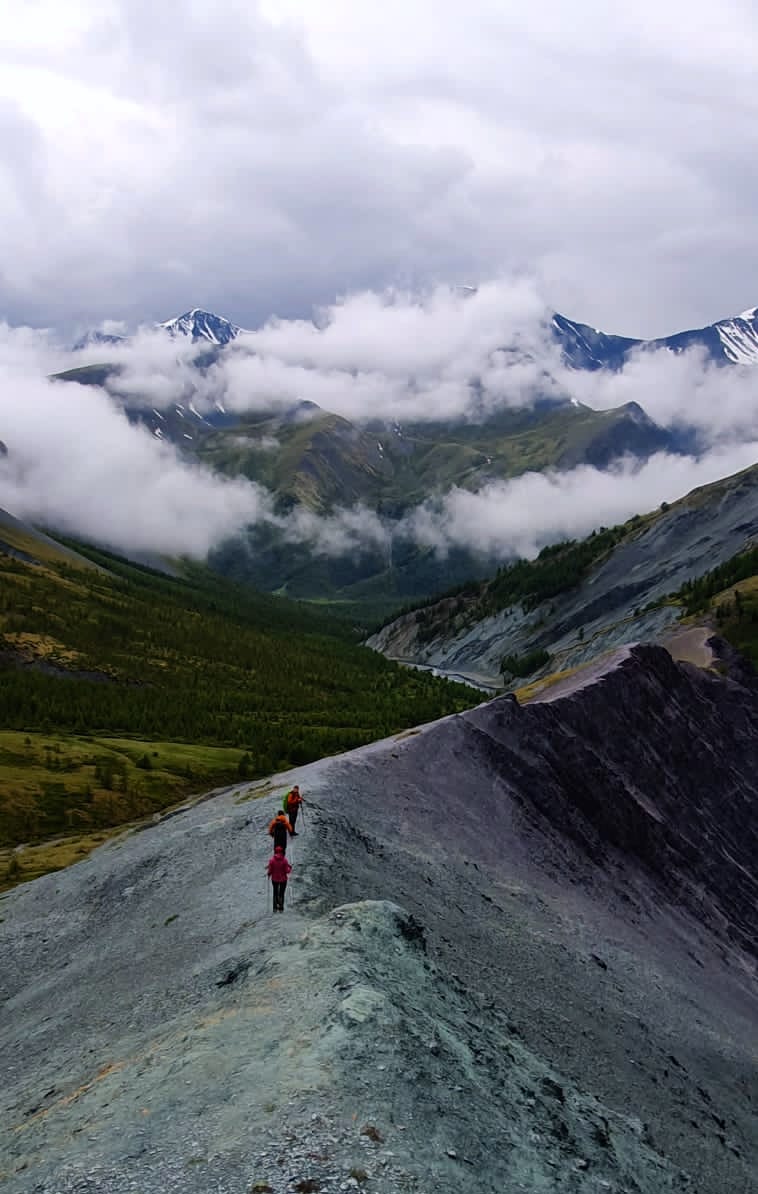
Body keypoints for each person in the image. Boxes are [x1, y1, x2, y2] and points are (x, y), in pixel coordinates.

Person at [266, 845, 292, 912]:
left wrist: (268, 874)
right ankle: (281, 908)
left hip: (274, 879)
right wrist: (290, 868)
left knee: (275, 892)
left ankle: (275, 908)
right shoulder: (284, 860)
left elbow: (270, 870)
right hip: (283, 879)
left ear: (275, 851)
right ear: (282, 852)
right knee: (281, 893)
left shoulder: (272, 860)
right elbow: (287, 871)